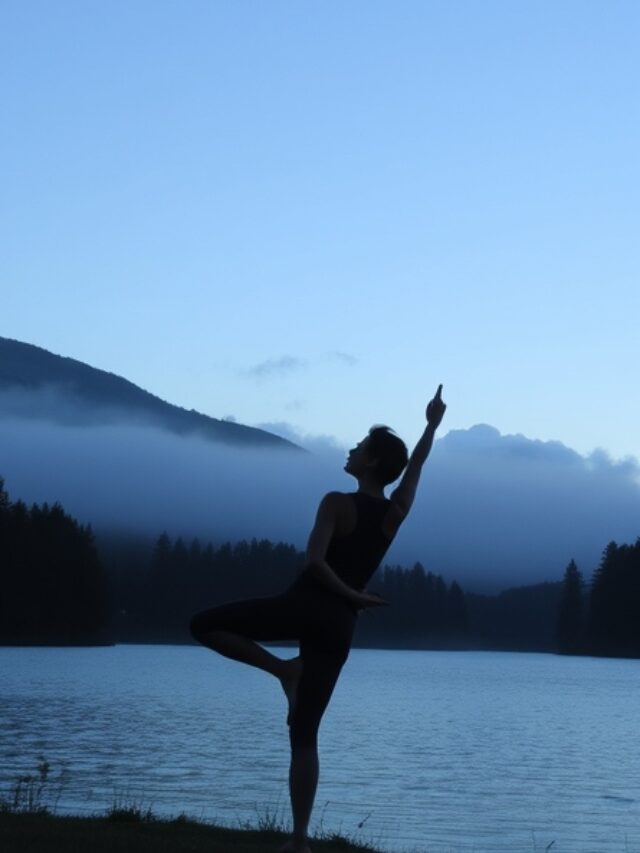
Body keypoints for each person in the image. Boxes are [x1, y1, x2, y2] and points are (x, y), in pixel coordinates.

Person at [190, 385, 447, 853]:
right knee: (305, 734)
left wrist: (349, 593)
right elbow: (416, 469)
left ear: (369, 462)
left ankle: (284, 670)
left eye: (359, 447)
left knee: (203, 624)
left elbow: (314, 562)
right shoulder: (394, 514)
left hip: (306, 605)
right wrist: (430, 426)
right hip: (340, 625)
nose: (351, 450)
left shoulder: (335, 502)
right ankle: (300, 840)